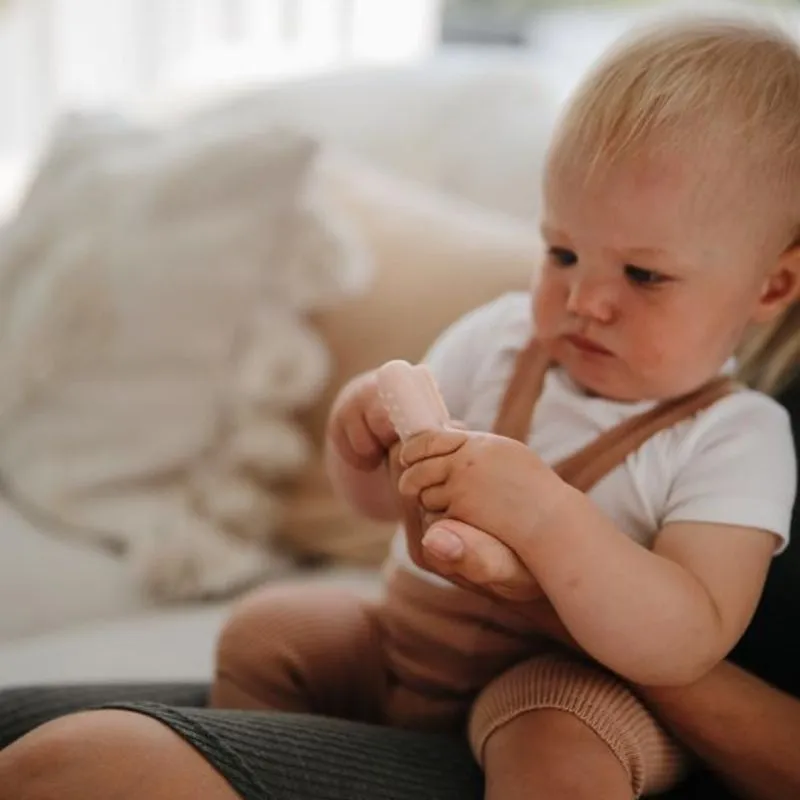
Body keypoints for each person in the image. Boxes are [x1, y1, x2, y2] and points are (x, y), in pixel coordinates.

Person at [0, 14, 799, 800]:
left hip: (557, 687)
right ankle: (278, 757)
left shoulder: (736, 438)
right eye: (562, 252)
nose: (585, 299)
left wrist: (548, 519)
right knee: (273, 626)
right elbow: (391, 505)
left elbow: (686, 639)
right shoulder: (502, 338)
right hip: (407, 641)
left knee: (558, 744)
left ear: (771, 287)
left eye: (643, 276)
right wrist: (364, 447)